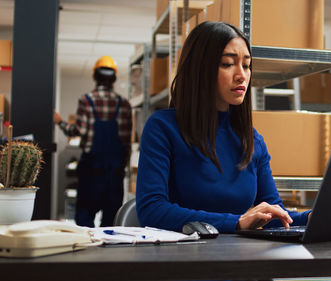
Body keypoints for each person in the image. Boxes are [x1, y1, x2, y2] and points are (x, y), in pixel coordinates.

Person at [136, 21, 311, 233]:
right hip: (180, 258)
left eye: (246, 65)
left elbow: (273, 213)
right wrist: (236, 223)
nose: (241, 75)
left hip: (237, 258)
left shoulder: (252, 140)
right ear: (200, 69)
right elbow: (152, 210)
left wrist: (311, 217)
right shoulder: (163, 128)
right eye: (228, 64)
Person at [54, 55, 132, 227]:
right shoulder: (124, 104)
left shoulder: (86, 101)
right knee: (111, 223)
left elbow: (77, 131)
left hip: (92, 172)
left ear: (94, 77)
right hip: (114, 174)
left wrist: (59, 121)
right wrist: (120, 167)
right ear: (114, 78)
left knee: (84, 219)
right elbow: (126, 143)